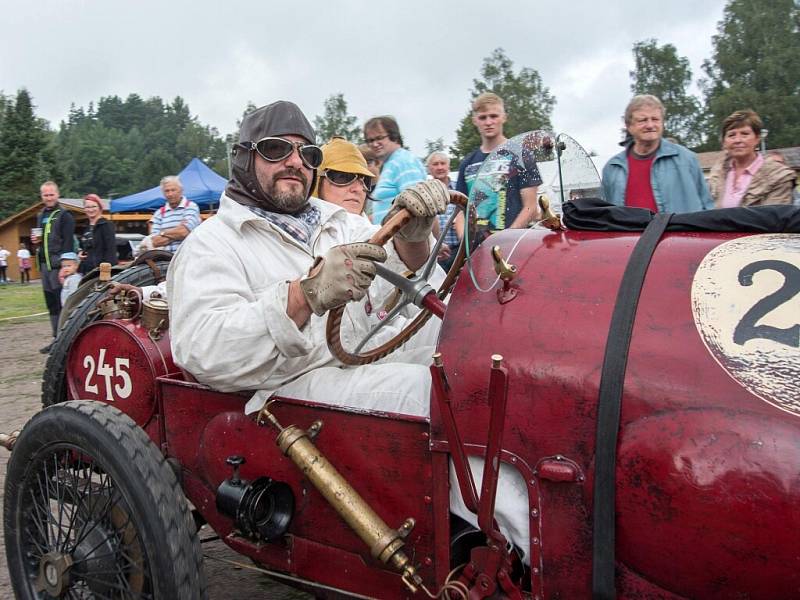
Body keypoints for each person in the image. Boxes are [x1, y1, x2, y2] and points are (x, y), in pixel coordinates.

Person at [168, 100, 528, 563]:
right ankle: (531, 550)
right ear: (244, 158)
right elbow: (203, 349)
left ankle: (525, 514)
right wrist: (304, 295)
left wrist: (414, 240)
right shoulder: (213, 243)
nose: (296, 162)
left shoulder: (341, 222)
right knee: (439, 393)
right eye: (278, 149)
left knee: (485, 362)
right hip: (286, 390)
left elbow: (410, 287)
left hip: (362, 351)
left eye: (308, 154)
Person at [602, 95, 712, 212]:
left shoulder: (687, 160)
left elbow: (708, 208)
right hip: (633, 230)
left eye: (655, 119)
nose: (650, 125)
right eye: (642, 120)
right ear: (629, 126)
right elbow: (607, 215)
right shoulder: (612, 169)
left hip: (682, 230)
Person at [455, 92, 542, 232]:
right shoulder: (467, 164)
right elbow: (459, 212)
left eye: (494, 116)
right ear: (475, 120)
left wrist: (506, 239)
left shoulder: (522, 155)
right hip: (476, 249)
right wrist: (466, 244)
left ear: (504, 117)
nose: (488, 122)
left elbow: (530, 207)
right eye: (483, 117)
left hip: (513, 246)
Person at [707, 110, 796, 208]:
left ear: (757, 138)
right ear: (724, 142)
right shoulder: (717, 174)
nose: (738, 140)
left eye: (744, 134)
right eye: (731, 135)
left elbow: (775, 217)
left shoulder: (778, 176)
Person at [32, 181, 75, 352]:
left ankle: (64, 340)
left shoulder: (65, 215)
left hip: (58, 266)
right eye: (45, 195)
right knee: (51, 304)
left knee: (61, 303)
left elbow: (68, 243)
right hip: (44, 265)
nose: (48, 198)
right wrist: (36, 241)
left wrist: (66, 266)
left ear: (57, 194)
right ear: (42, 196)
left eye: (51, 194)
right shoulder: (40, 214)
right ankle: (55, 340)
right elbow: (41, 238)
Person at [363, 116, 426, 223]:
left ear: (394, 136)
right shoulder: (391, 163)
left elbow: (417, 206)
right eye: (370, 140)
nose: (374, 144)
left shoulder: (403, 162)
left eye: (379, 138)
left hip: (402, 237)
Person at [313, 137, 375, 216]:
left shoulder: (375, 228)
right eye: (343, 177)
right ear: (316, 181)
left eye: (365, 181)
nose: (359, 189)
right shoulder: (295, 226)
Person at [427, 151, 463, 271]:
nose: (440, 167)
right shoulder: (425, 193)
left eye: (443, 163)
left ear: (449, 166)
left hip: (459, 250)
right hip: (435, 253)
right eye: (435, 164)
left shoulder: (460, 188)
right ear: (429, 169)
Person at [148, 176, 201, 252]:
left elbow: (183, 232)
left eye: (173, 190)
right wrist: (178, 231)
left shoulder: (191, 207)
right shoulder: (159, 213)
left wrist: (162, 233)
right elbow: (155, 242)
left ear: (181, 191)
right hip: (165, 261)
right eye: (167, 191)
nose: (170, 194)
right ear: (163, 193)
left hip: (187, 258)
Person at [78, 194, 118, 274]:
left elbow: (111, 251)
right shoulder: (86, 227)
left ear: (100, 207)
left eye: (94, 206)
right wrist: (80, 253)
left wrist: (107, 272)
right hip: (86, 271)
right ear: (84, 209)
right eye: (88, 207)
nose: (91, 210)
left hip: (101, 271)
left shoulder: (106, 225)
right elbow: (84, 247)